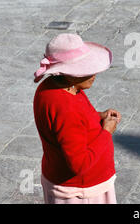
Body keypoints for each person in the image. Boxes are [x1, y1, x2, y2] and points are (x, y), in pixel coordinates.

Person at [32, 33, 121, 204]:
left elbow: (73, 125)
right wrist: (106, 132)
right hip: (81, 193)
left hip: (64, 182)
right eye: (85, 69)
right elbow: (79, 164)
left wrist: (98, 116)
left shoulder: (52, 88)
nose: (94, 73)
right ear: (68, 73)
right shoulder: (66, 108)